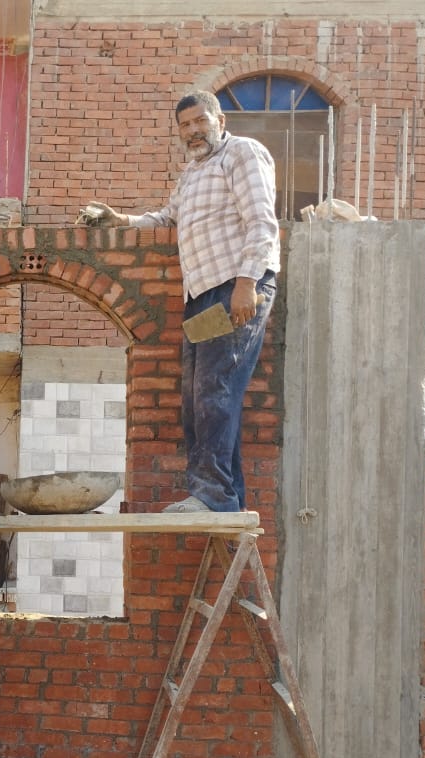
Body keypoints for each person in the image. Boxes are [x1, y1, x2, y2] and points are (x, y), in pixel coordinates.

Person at [83, 89, 280, 513]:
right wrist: (120, 220)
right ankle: (223, 498)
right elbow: (166, 219)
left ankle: (212, 495)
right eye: (185, 126)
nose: (193, 131)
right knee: (198, 398)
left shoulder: (242, 154)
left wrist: (247, 283)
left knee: (215, 391)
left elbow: (262, 220)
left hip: (235, 288)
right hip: (202, 294)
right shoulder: (191, 173)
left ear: (219, 121)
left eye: (200, 122)